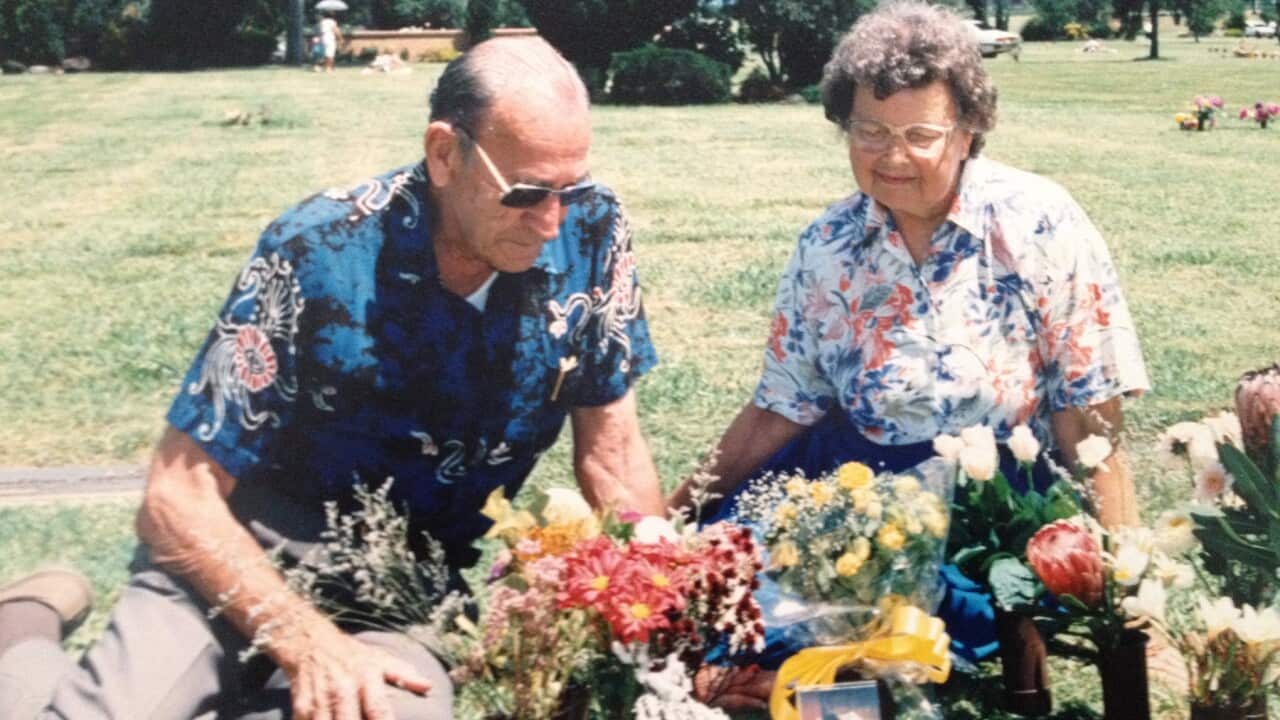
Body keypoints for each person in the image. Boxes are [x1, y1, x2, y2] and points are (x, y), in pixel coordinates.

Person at [0, 36, 663, 720]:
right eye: (526, 192)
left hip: (399, 595)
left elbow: (612, 454)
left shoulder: (594, 228)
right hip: (235, 562)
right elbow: (177, 494)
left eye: (569, 188)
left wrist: (663, 603)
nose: (552, 222)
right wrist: (302, 641)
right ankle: (20, 631)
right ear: (444, 153)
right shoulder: (316, 248)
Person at [670, 0, 1148, 691]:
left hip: (993, 508)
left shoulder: (1042, 225)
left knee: (897, 638)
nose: (892, 157)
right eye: (869, 131)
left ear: (967, 131)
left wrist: (1125, 599)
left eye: (919, 134)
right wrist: (677, 516)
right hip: (855, 494)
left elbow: (1090, 423)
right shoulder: (825, 246)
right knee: (718, 598)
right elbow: (780, 408)